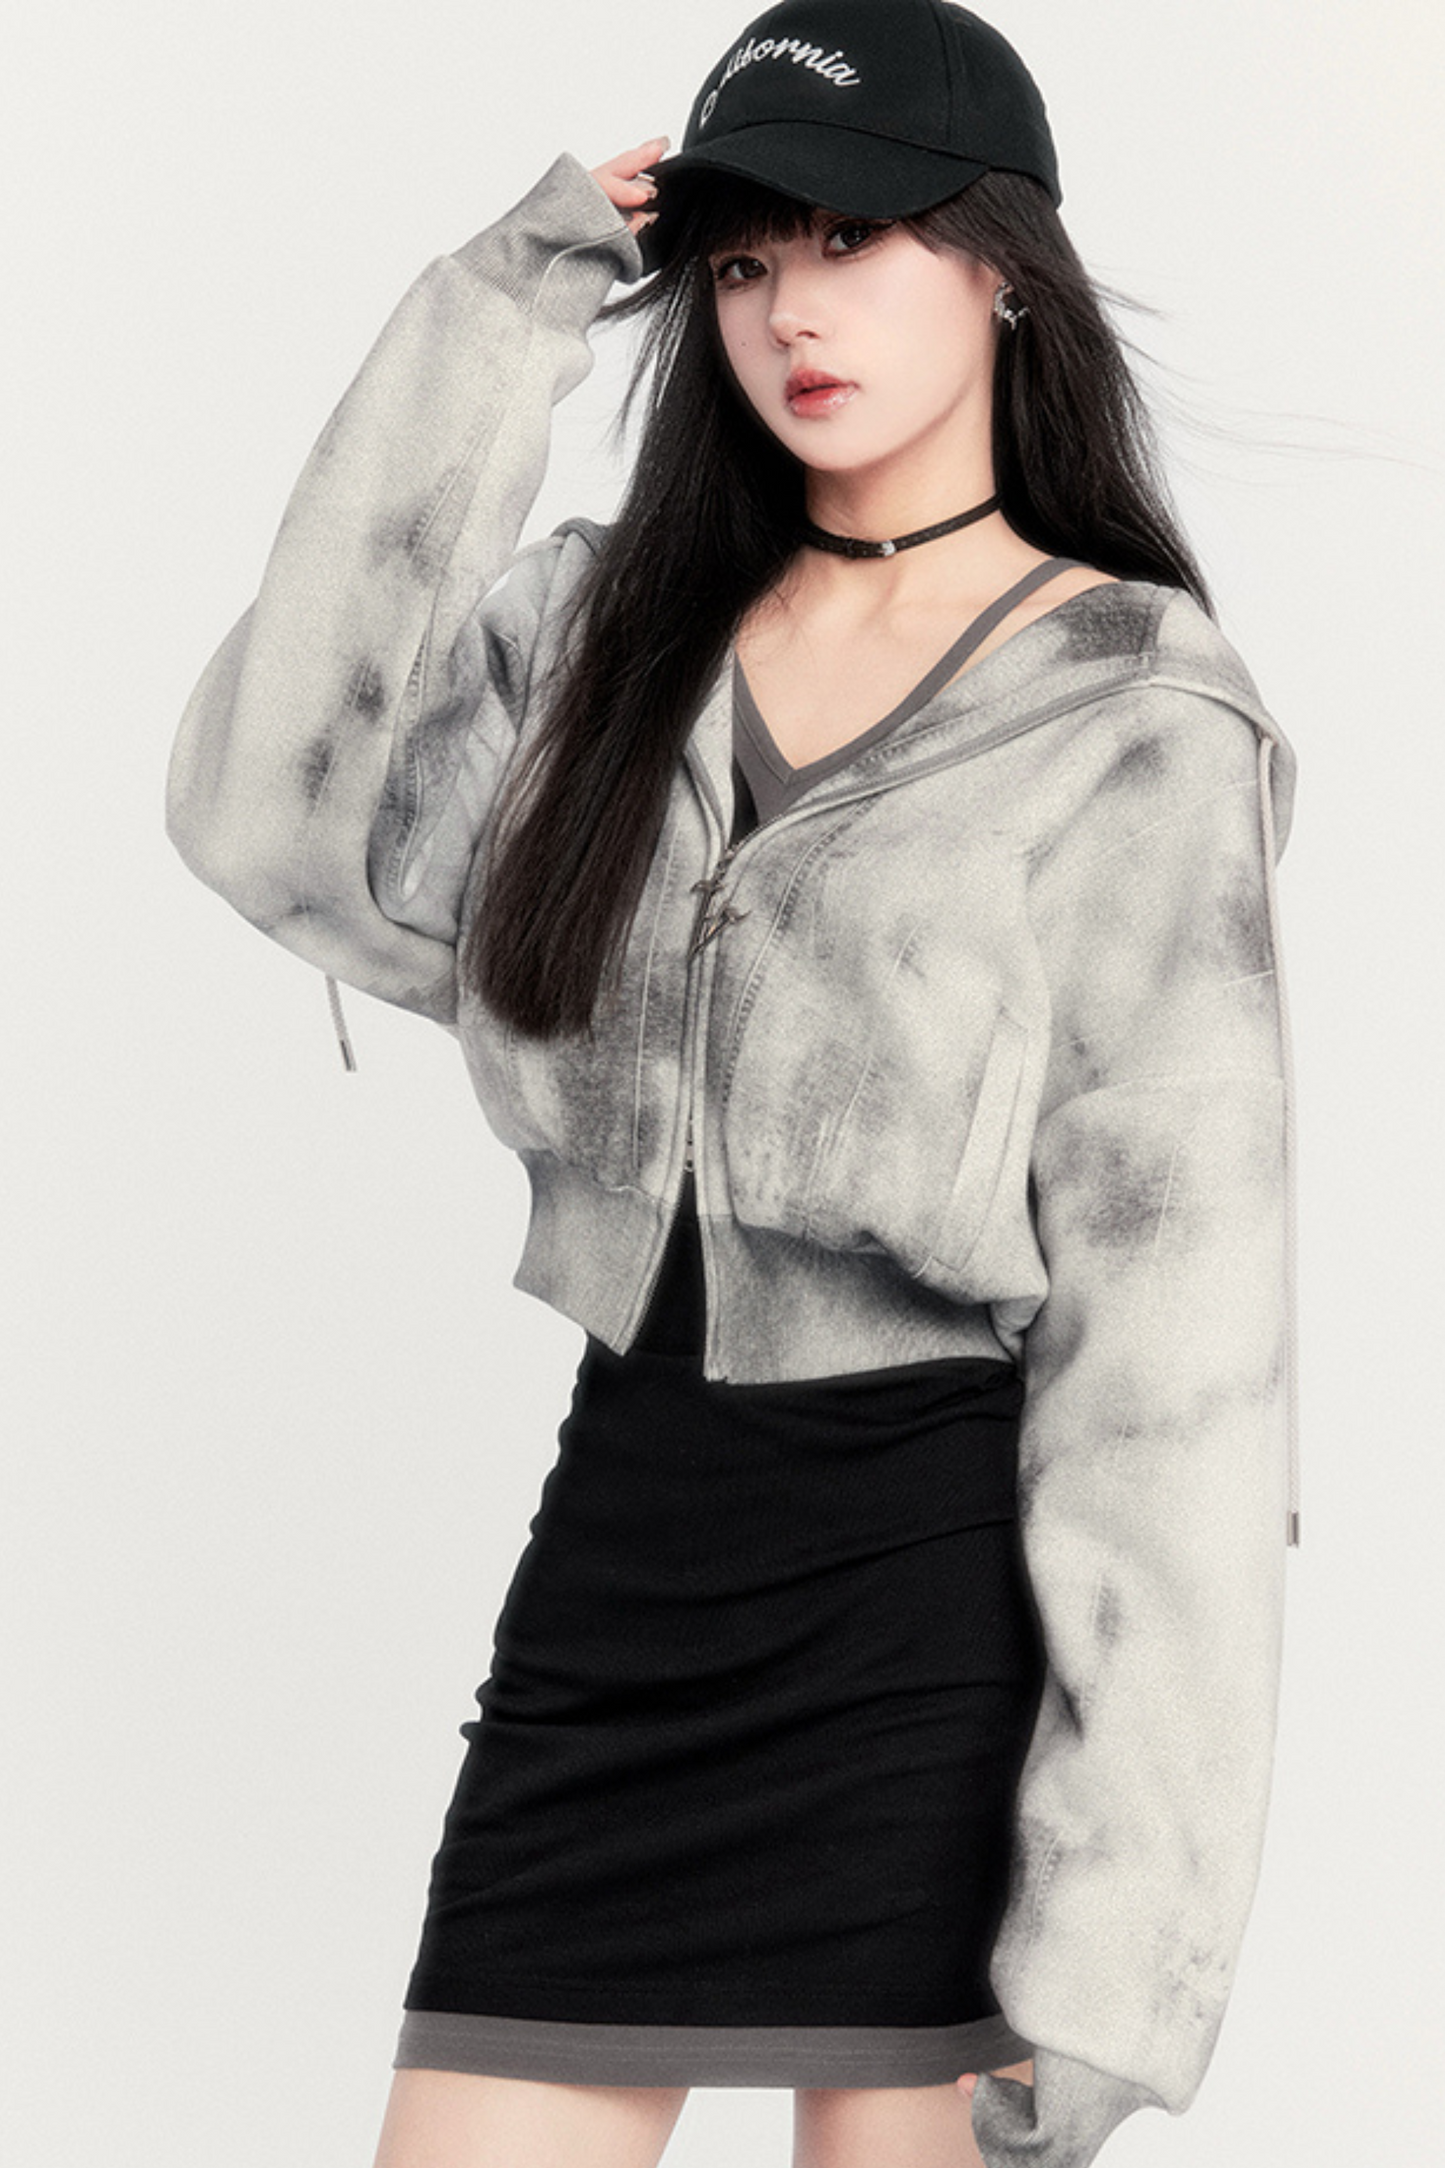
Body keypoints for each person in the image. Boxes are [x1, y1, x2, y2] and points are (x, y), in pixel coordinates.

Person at [166, 3, 1299, 2164]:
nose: (791, 312)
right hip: (623, 1561)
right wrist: (497, 313)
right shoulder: (601, 636)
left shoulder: (1136, 715)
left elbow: (1181, 1362)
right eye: (747, 259)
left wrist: (1121, 1950)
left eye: (854, 241)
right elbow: (266, 814)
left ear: (1001, 263)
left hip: (936, 1622)